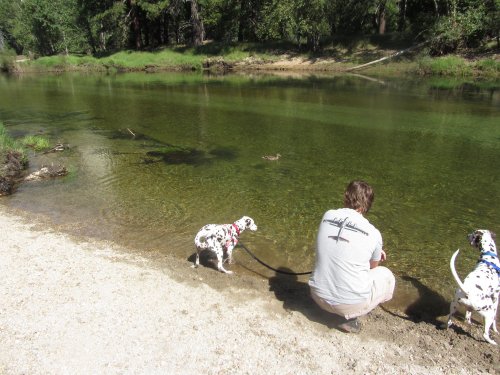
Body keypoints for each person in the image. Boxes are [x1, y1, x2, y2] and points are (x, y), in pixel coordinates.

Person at [309, 180, 395, 333]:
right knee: (387, 276)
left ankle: (335, 304)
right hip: (348, 305)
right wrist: (372, 253)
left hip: (317, 296)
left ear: (345, 196)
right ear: (368, 204)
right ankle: (350, 316)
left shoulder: (328, 215)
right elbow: (371, 269)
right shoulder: (374, 233)